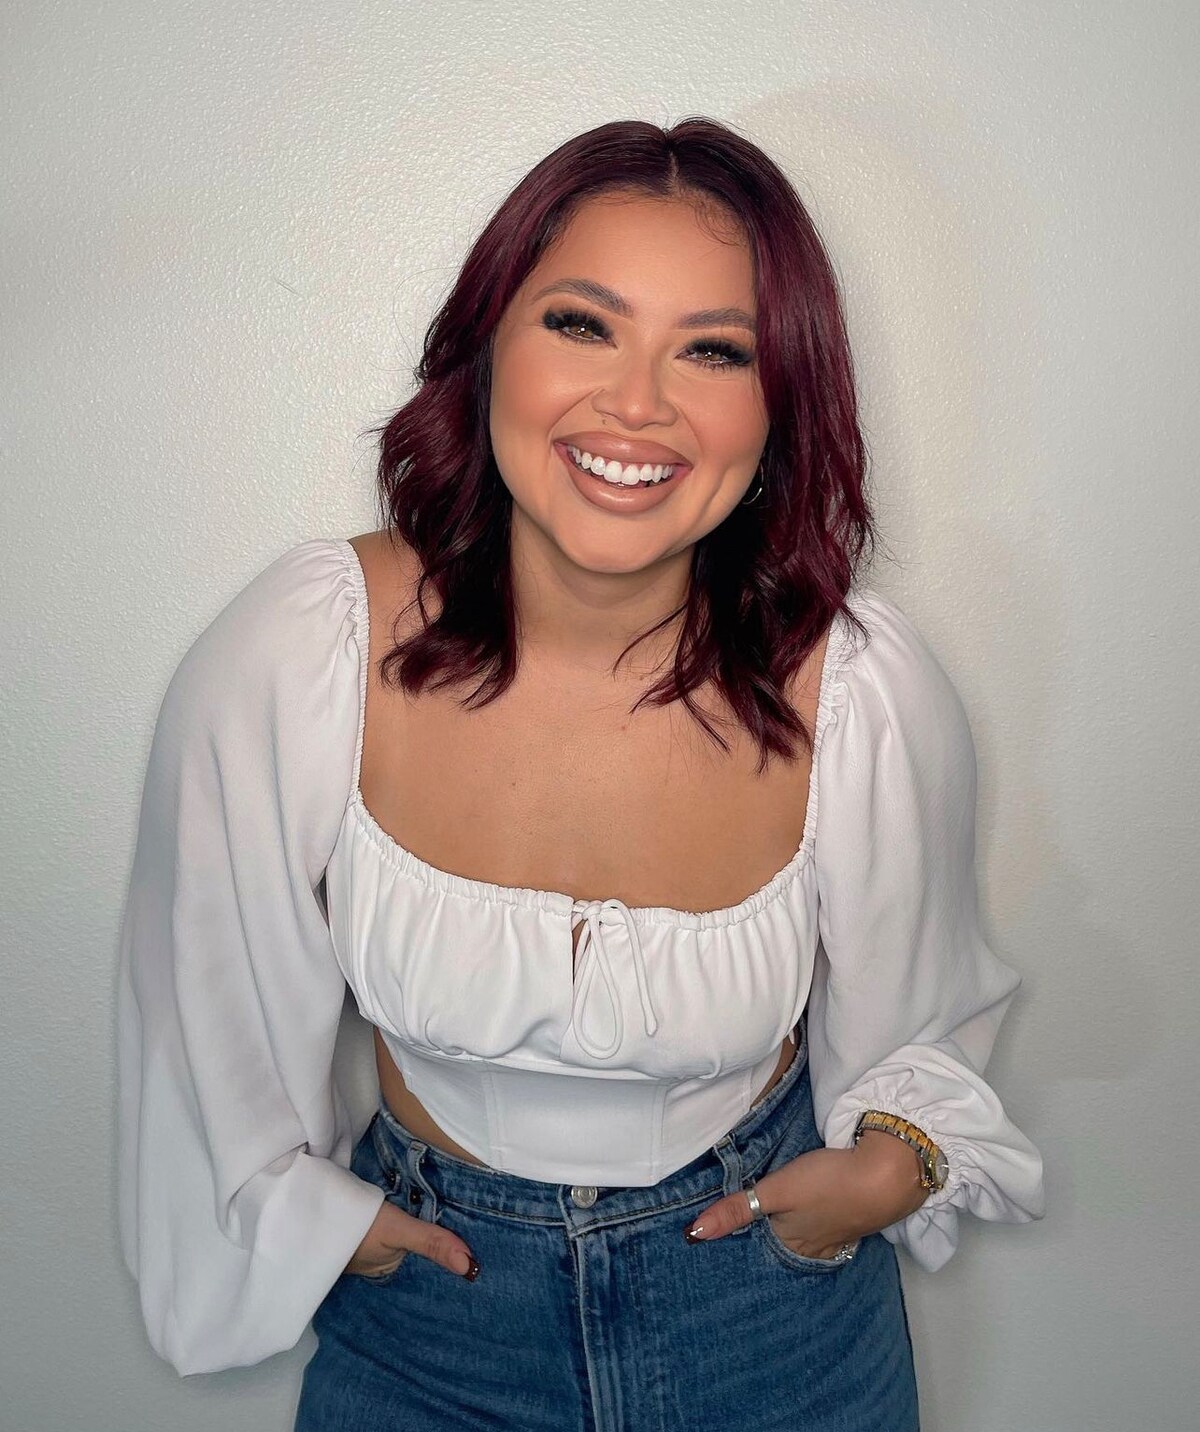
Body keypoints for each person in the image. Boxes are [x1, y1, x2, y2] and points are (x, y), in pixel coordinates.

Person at [116, 116, 1045, 1428]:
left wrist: (888, 1171)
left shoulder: (862, 690)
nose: (638, 405)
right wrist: (306, 1216)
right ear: (488, 343)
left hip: (778, 1319)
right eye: (581, 324)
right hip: (430, 1329)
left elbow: (921, 1020)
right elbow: (199, 1003)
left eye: (713, 350)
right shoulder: (304, 648)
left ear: (778, 403)